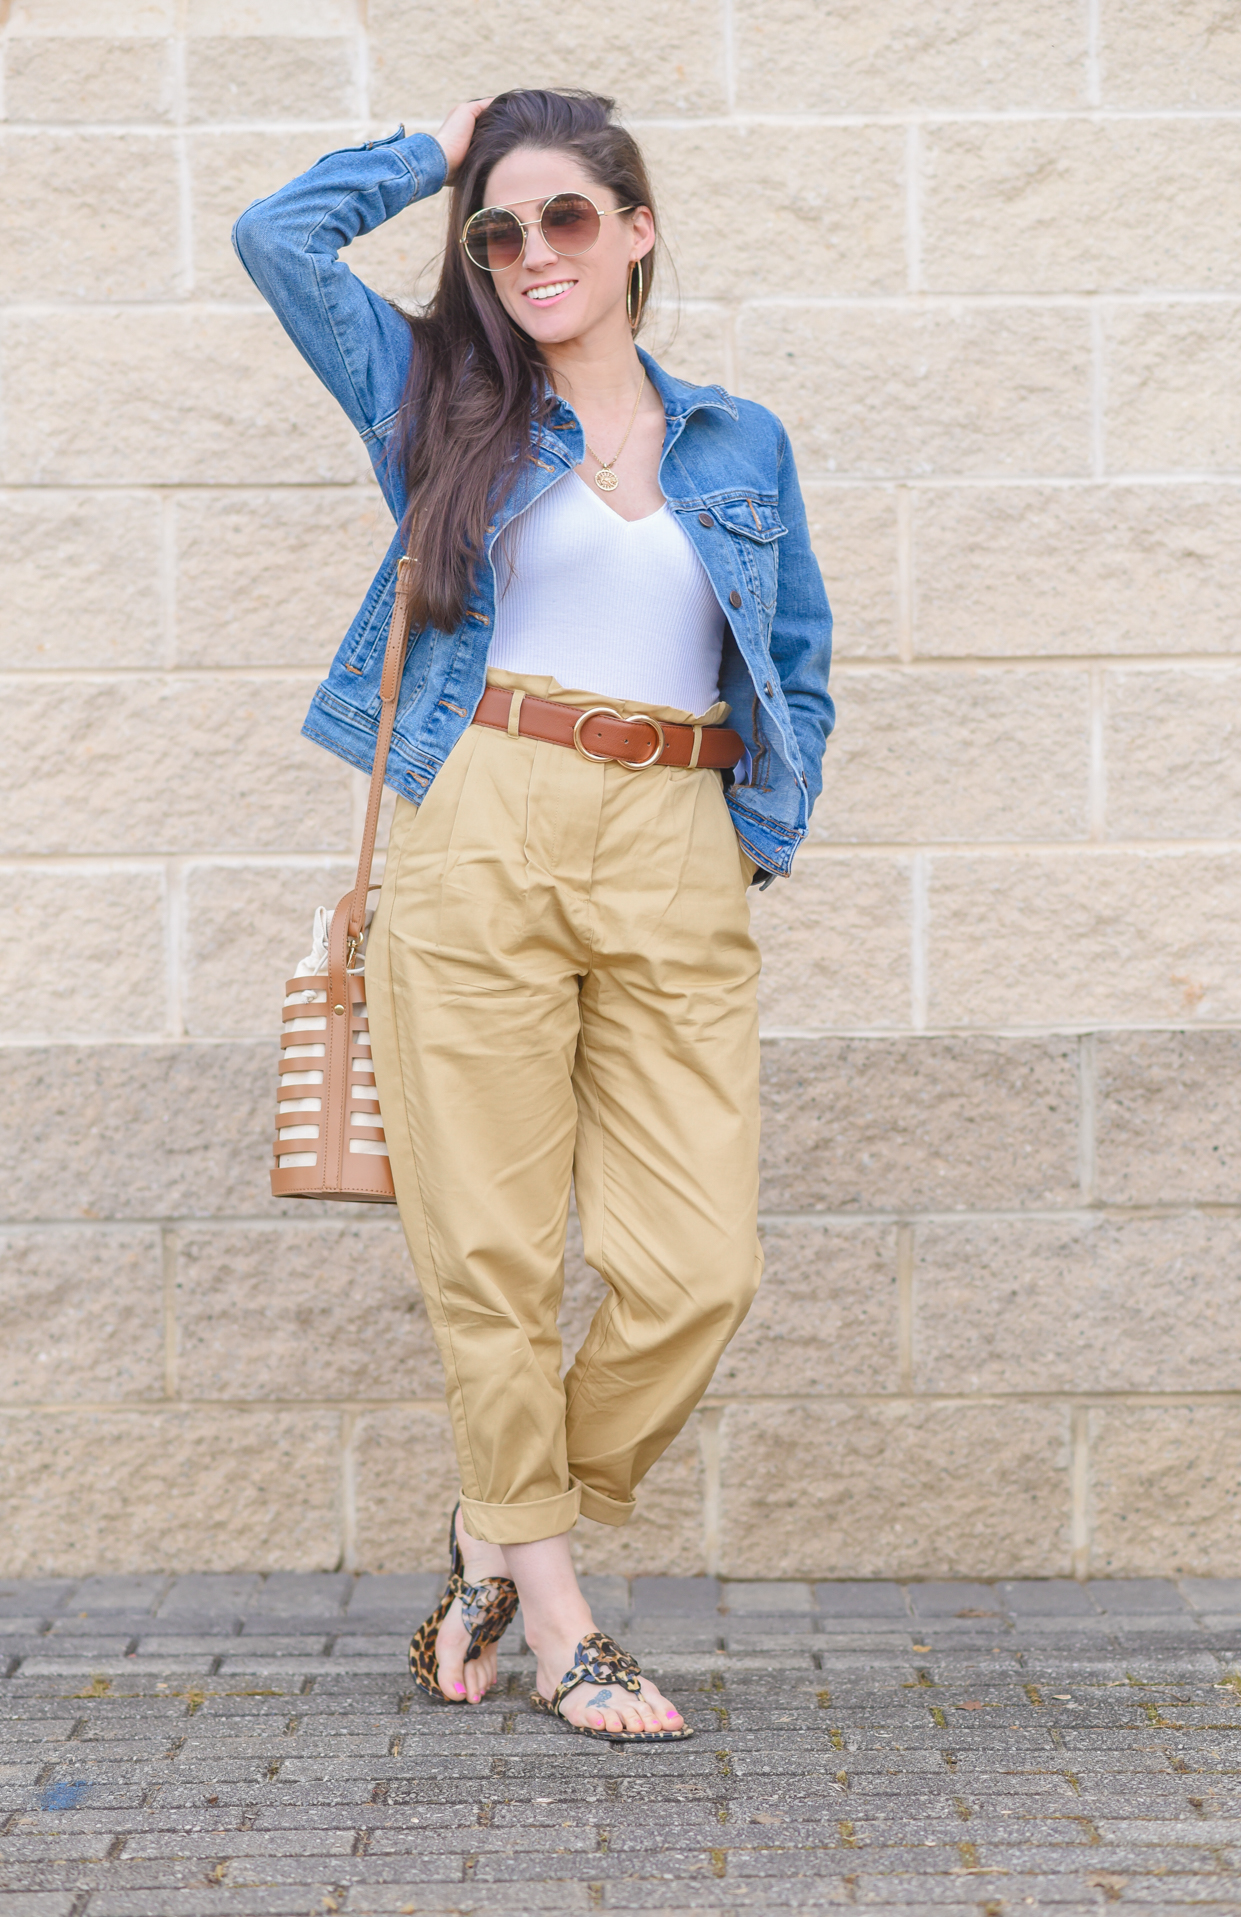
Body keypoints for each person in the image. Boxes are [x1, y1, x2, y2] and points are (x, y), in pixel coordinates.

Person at [233, 88, 834, 1743]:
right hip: (483, 819)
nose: (533, 252)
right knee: (492, 1257)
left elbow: (795, 661)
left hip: (675, 837)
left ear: (637, 230)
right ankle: (559, 1611)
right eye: (501, 233)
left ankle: (493, 1524)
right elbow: (275, 239)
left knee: (696, 1268)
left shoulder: (740, 442)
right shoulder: (441, 400)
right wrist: (436, 147)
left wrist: (749, 840)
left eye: (568, 216)